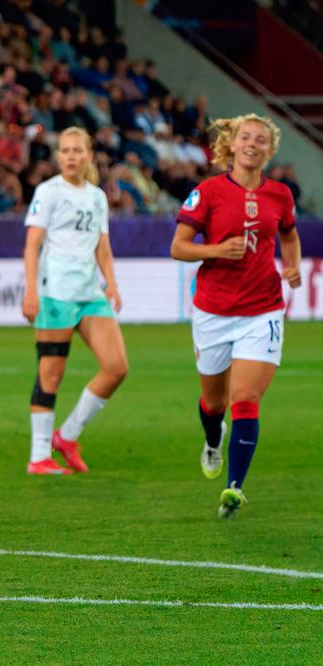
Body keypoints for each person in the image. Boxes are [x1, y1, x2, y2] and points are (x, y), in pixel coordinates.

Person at [170, 113, 301, 518]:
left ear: (270, 149)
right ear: (233, 143)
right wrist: (214, 251)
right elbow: (178, 247)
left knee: (245, 397)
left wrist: (292, 265)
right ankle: (213, 441)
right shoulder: (208, 192)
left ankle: (234, 487)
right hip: (213, 310)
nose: (252, 144)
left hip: (262, 310)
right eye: (246, 137)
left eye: (261, 140)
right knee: (213, 403)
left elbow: (289, 235)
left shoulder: (280, 194)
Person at [21, 127, 128, 475]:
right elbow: (32, 244)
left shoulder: (97, 197)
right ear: (58, 156)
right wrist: (31, 291)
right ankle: (39, 457)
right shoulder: (48, 192)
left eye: (76, 150)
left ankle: (67, 436)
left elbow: (104, 248)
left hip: (89, 295)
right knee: (50, 375)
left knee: (116, 368)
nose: (70, 156)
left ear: (88, 154)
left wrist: (111, 284)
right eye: (64, 150)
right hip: (56, 294)